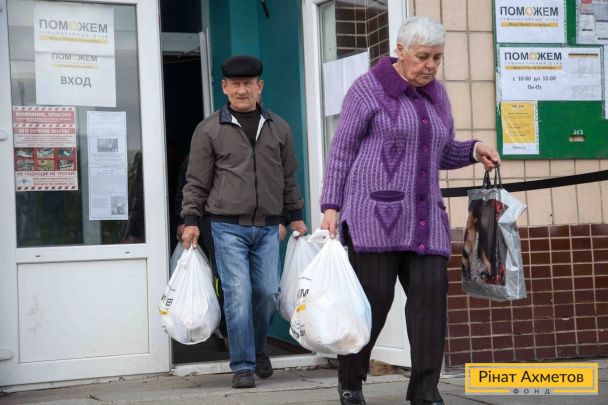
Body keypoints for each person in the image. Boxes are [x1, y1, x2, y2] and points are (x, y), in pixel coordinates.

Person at [319, 16, 500, 405]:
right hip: (372, 219)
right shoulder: (367, 89)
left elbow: (441, 151)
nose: (430, 65)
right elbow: (342, 151)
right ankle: (351, 380)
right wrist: (331, 206)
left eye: (437, 58)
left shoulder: (438, 96)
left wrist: (473, 149)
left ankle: (425, 392)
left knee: (429, 309)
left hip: (425, 221)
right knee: (372, 307)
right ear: (400, 51)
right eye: (422, 57)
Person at [181, 55, 307, 389]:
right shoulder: (209, 129)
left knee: (266, 294)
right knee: (238, 293)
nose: (241, 90)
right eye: (235, 84)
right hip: (226, 226)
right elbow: (196, 181)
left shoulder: (279, 128)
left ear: (259, 86)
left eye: (248, 84)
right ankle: (242, 365)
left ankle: (258, 347)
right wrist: (191, 219)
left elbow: (288, 178)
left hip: (267, 226)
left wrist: (295, 216)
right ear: (224, 87)